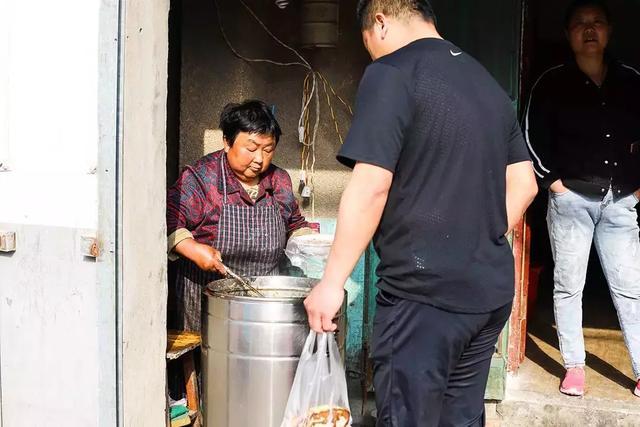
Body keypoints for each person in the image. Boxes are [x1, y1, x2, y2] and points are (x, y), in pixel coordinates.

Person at [304, 1, 538, 425]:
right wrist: (476, 235)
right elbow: (525, 183)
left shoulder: (391, 73)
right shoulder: (486, 83)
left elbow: (371, 186)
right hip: (488, 293)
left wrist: (331, 282)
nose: (372, 55)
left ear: (380, 21)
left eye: (368, 45)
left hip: (423, 297)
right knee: (461, 417)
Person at [525, 0, 640, 397]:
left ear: (609, 31)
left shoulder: (631, 80)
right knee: (569, 284)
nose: (589, 30)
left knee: (630, 287)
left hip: (621, 199)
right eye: (580, 24)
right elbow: (531, 136)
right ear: (568, 33)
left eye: (597, 23)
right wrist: (553, 183)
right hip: (570, 198)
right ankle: (575, 366)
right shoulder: (552, 82)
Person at [166, 100, 313, 332]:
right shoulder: (201, 179)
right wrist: (192, 248)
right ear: (227, 141)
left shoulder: (279, 180)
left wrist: (313, 244)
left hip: (263, 303)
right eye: (252, 148)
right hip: (211, 304)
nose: (259, 159)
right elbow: (167, 220)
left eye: (268, 150)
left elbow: (295, 224)